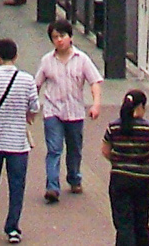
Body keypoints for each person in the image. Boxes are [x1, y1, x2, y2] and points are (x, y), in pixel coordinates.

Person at [0, 37, 40, 243]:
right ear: (16, 56)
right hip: (18, 142)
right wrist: (28, 116)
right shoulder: (27, 79)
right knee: (17, 184)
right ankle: (12, 227)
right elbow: (35, 106)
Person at [34, 19, 102, 203]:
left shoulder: (82, 59)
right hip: (52, 111)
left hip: (75, 112)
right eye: (55, 37)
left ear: (70, 37)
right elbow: (37, 84)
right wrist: (31, 108)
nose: (59, 40)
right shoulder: (47, 61)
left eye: (62, 36)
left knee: (74, 149)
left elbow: (94, 81)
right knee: (54, 149)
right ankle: (52, 187)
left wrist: (96, 104)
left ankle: (74, 178)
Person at [102, 89, 149, 246]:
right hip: (144, 180)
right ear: (140, 107)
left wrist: (118, 162)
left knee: (124, 224)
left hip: (120, 178)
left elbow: (105, 151)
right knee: (141, 221)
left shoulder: (113, 127)